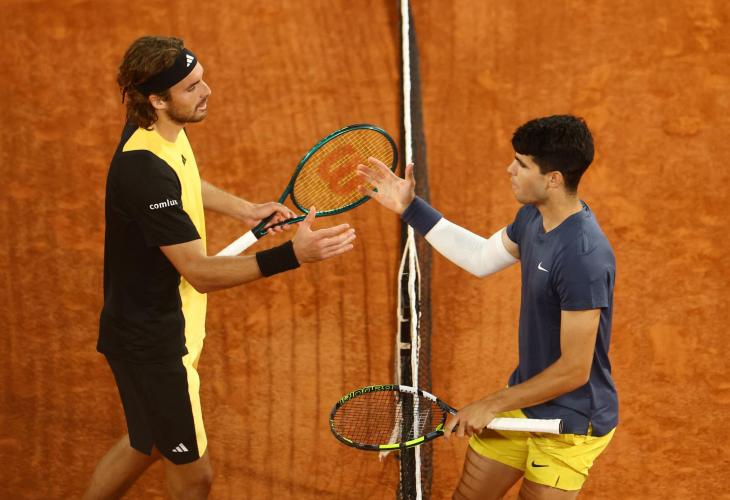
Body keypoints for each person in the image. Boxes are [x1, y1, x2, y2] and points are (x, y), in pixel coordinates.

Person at [83, 36, 356, 500]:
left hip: (153, 327)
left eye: (201, 79)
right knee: (196, 478)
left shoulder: (157, 130)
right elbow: (201, 272)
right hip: (156, 346)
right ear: (158, 99)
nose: (207, 91)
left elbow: (184, 180)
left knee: (147, 442)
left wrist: (245, 209)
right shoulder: (145, 172)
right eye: (192, 87)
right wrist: (292, 255)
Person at [358, 115, 617, 499]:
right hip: (525, 398)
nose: (509, 169)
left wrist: (491, 404)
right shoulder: (533, 217)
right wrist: (410, 208)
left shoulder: (583, 257)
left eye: (522, 164)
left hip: (571, 424)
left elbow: (574, 370)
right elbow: (480, 258)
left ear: (553, 179)